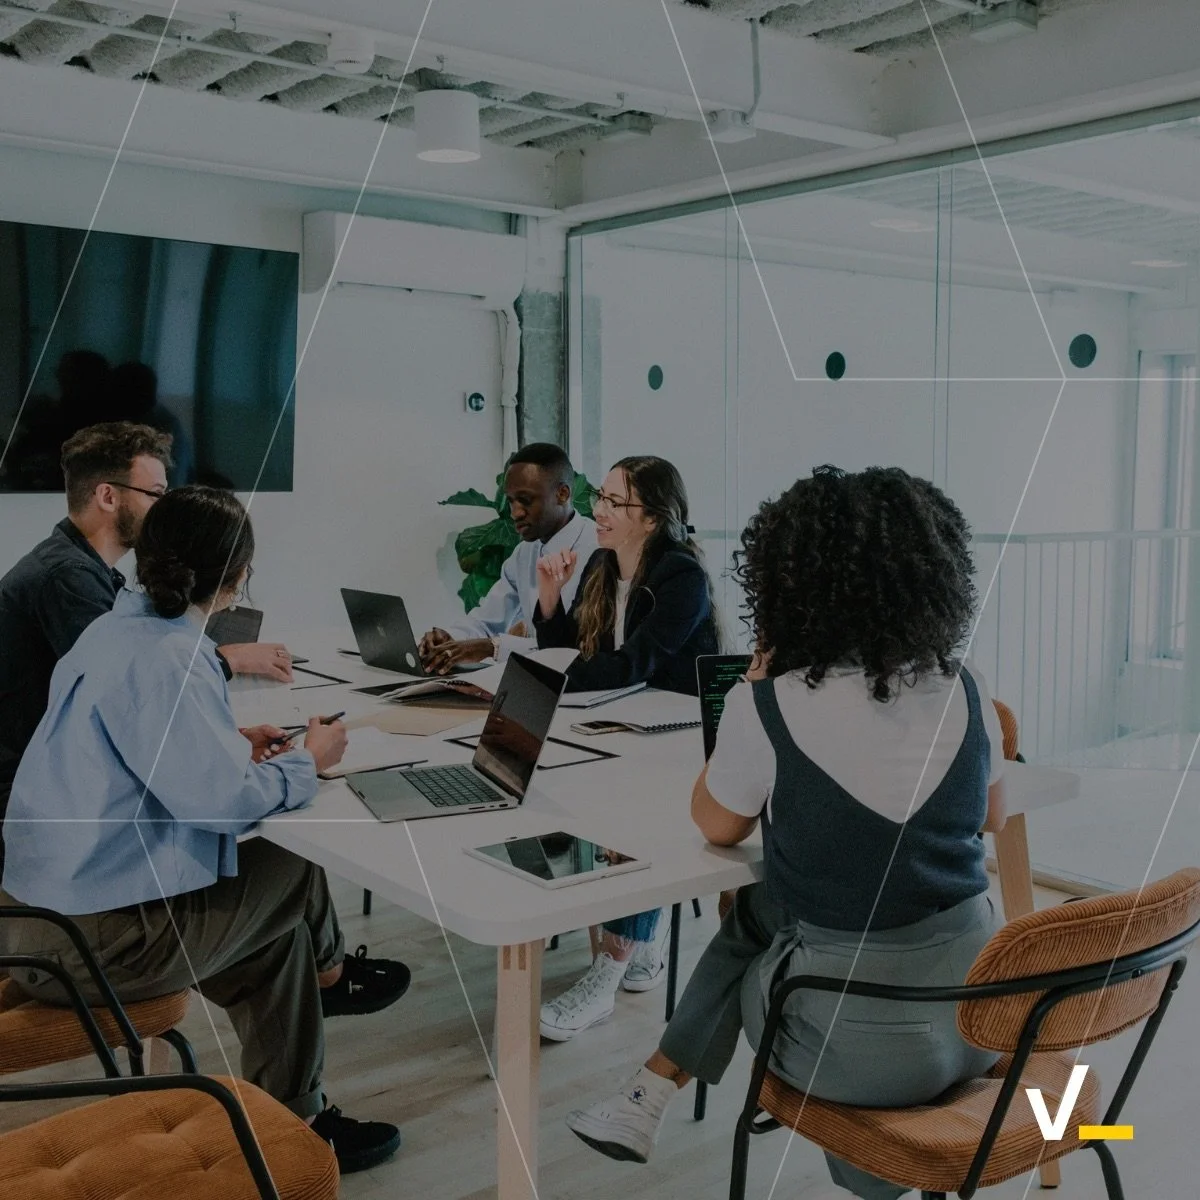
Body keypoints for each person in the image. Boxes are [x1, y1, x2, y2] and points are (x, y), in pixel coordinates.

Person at [563, 466, 1009, 1200]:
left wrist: (750, 688)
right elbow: (989, 817)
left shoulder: (771, 702)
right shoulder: (965, 684)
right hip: (982, 1014)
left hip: (852, 1045)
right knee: (777, 907)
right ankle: (646, 1092)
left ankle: (649, 1092)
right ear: (931, 577)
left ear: (791, 585)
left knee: (755, 914)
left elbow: (714, 822)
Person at [0, 486, 411, 1174]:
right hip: (89, 945)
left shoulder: (113, 631)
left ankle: (298, 1121)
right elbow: (222, 806)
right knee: (289, 864)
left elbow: (143, 761)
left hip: (33, 919)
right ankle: (332, 971)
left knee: (276, 935)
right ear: (238, 576)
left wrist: (225, 741)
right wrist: (307, 763)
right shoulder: (170, 658)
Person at [0, 423, 295, 868]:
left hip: (61, 785)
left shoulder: (82, 568)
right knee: (267, 855)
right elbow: (134, 691)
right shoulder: (67, 578)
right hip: (47, 803)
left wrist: (223, 741)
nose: (164, 508)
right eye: (156, 493)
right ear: (107, 496)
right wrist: (229, 659)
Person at [535, 455, 720, 1038]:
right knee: (561, 782)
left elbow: (632, 665)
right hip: (622, 723)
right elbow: (570, 649)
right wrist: (548, 597)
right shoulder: (599, 563)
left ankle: (606, 973)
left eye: (618, 503)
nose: (602, 512)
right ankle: (640, 925)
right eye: (603, 498)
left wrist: (557, 679)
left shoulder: (680, 576)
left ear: (652, 518)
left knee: (633, 822)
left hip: (682, 738)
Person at [419, 443, 597, 674]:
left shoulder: (598, 550)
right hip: (534, 682)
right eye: (511, 501)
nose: (515, 513)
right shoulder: (525, 553)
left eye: (526, 500)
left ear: (562, 494)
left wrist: (493, 647)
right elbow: (487, 620)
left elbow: (575, 649)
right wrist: (449, 639)